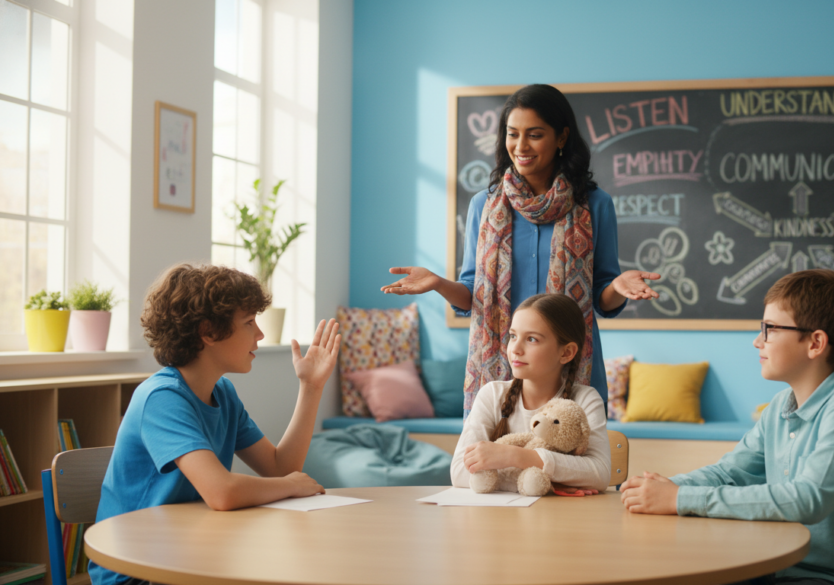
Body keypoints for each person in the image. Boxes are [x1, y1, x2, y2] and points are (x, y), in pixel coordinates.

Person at [381, 83, 660, 411]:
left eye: (535, 134)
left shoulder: (594, 205)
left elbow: (600, 298)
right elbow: (474, 295)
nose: (521, 145)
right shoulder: (482, 206)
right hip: (499, 373)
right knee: (492, 460)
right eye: (513, 134)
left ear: (562, 137)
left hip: (570, 369)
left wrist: (616, 286)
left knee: (567, 461)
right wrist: (439, 284)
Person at [619, 269, 834, 585]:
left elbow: (805, 500)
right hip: (784, 565)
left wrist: (679, 498)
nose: (757, 341)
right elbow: (729, 473)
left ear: (815, 343)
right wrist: (659, 489)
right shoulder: (782, 406)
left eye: (769, 329)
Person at [89, 264, 340, 585]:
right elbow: (223, 493)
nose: (260, 334)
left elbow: (279, 467)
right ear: (208, 332)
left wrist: (311, 387)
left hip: (191, 557)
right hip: (137, 573)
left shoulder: (222, 393)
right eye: (249, 322)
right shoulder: (161, 398)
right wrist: (293, 485)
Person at [451, 293, 611, 494]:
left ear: (566, 353)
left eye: (532, 339)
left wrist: (514, 456)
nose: (515, 349)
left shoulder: (586, 399)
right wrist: (549, 483)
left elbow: (600, 474)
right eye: (513, 336)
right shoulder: (491, 395)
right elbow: (459, 472)